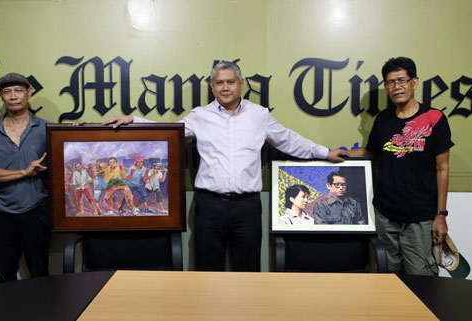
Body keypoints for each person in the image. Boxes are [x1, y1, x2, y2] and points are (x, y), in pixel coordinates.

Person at [98, 61, 346, 271]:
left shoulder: (259, 115)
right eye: (219, 83)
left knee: (247, 272)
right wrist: (134, 121)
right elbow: (168, 133)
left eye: (230, 82)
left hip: (247, 208)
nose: (225, 87)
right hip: (209, 207)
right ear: (211, 86)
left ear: (241, 83)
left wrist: (325, 152)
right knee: (207, 272)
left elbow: (289, 141)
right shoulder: (200, 116)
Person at [347, 57, 454, 275]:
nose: (397, 87)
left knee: (421, 279)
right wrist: (335, 154)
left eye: (402, 80)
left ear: (414, 82)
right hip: (385, 215)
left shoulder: (434, 118)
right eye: (390, 82)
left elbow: (442, 168)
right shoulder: (383, 120)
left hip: (419, 218)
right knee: (387, 277)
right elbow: (370, 152)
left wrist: (441, 215)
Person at [0, 72, 51, 283]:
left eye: (18, 90)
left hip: (37, 211)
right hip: (2, 213)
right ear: (1, 96)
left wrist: (74, 132)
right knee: (5, 275)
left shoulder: (47, 129)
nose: (13, 96)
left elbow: (65, 160)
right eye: (7, 92)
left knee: (40, 273)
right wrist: (23, 172)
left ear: (29, 93)